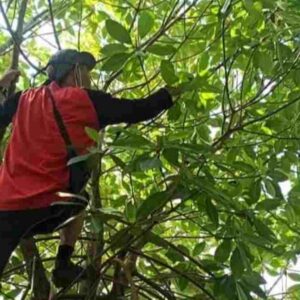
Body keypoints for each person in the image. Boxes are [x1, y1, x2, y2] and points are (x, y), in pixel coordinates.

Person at [0, 49, 176, 288]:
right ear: (74, 71)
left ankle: (62, 266)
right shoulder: (85, 100)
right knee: (81, 199)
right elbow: (138, 109)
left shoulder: (22, 99)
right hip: (49, 205)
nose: (89, 77)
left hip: (6, 206)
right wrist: (170, 93)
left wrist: (2, 86)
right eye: (85, 70)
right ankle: (63, 263)